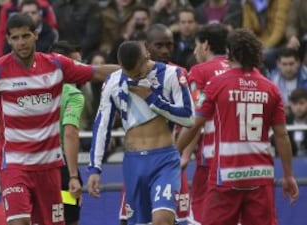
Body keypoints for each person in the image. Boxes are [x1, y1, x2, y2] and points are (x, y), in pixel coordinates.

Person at [0, 13, 119, 225]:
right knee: (19, 221)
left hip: (49, 166)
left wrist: (139, 71)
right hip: (14, 165)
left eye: (25, 36)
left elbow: (96, 72)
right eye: (15, 38)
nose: (21, 42)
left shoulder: (56, 65)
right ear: (9, 40)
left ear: (36, 35)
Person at [176, 28, 299, 225]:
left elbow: (193, 124)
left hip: (226, 175)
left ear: (229, 52)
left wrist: (175, 153)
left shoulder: (217, 84)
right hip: (260, 175)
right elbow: (282, 136)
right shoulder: (271, 88)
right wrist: (289, 176)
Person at [87, 40, 194, 225]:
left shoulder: (171, 74)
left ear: (147, 56)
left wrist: (153, 98)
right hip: (133, 162)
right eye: (130, 74)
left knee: (162, 219)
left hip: (164, 160)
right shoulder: (113, 81)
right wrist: (95, 168)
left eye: (138, 73)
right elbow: (102, 125)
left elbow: (188, 118)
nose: (134, 78)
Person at [119, 23, 192, 225]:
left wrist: (180, 152)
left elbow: (193, 120)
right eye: (159, 45)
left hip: (166, 157)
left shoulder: (177, 73)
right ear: (146, 47)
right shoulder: (125, 74)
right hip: (137, 160)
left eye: (169, 45)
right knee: (128, 220)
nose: (165, 50)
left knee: (170, 219)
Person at [176, 23, 229, 223]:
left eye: (196, 45)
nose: (195, 50)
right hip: (242, 158)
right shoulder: (241, 70)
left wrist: (184, 155)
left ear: (205, 45)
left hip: (210, 159)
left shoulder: (200, 71)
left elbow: (197, 118)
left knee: (201, 216)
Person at [50, 41, 84, 225]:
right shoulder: (72, 94)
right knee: (69, 221)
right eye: (77, 64)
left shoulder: (31, 89)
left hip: (33, 166)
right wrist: (73, 176)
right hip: (62, 169)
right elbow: (70, 133)